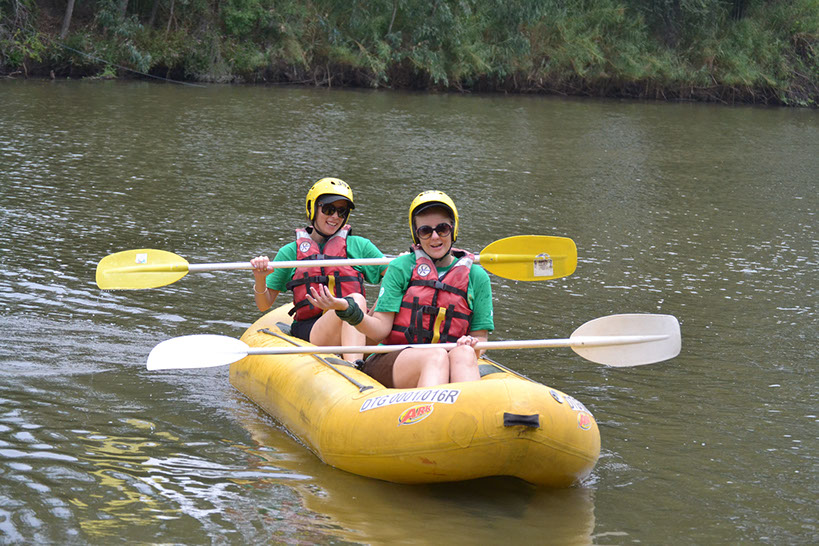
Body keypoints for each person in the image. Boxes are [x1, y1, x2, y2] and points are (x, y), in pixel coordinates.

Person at [306, 190, 494, 388]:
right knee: (435, 355)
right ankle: (427, 406)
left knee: (465, 354)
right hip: (394, 359)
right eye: (425, 231)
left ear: (453, 229)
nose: (435, 237)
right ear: (416, 234)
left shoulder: (477, 276)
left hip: (449, 357)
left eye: (442, 229)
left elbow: (480, 336)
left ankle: (469, 406)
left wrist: (472, 343)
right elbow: (380, 330)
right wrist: (348, 310)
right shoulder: (400, 267)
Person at [250, 178, 386, 361]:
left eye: (342, 211)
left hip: (357, 325)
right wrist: (260, 278)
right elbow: (263, 305)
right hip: (313, 330)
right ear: (312, 209)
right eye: (328, 209)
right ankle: (354, 365)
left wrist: (404, 264)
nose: (335, 216)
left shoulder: (360, 246)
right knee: (355, 300)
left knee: (391, 293)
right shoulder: (290, 252)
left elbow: (396, 276)